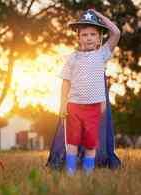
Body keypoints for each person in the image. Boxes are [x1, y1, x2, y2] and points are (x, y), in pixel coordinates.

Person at [59, 9, 120, 175]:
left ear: (99, 37)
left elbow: (116, 32)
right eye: (84, 35)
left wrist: (99, 16)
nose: (89, 38)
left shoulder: (102, 54)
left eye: (93, 34)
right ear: (78, 37)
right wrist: (62, 104)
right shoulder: (73, 58)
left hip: (93, 108)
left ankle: (88, 175)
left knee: (90, 144)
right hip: (74, 106)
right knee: (71, 142)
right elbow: (66, 82)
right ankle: (70, 175)